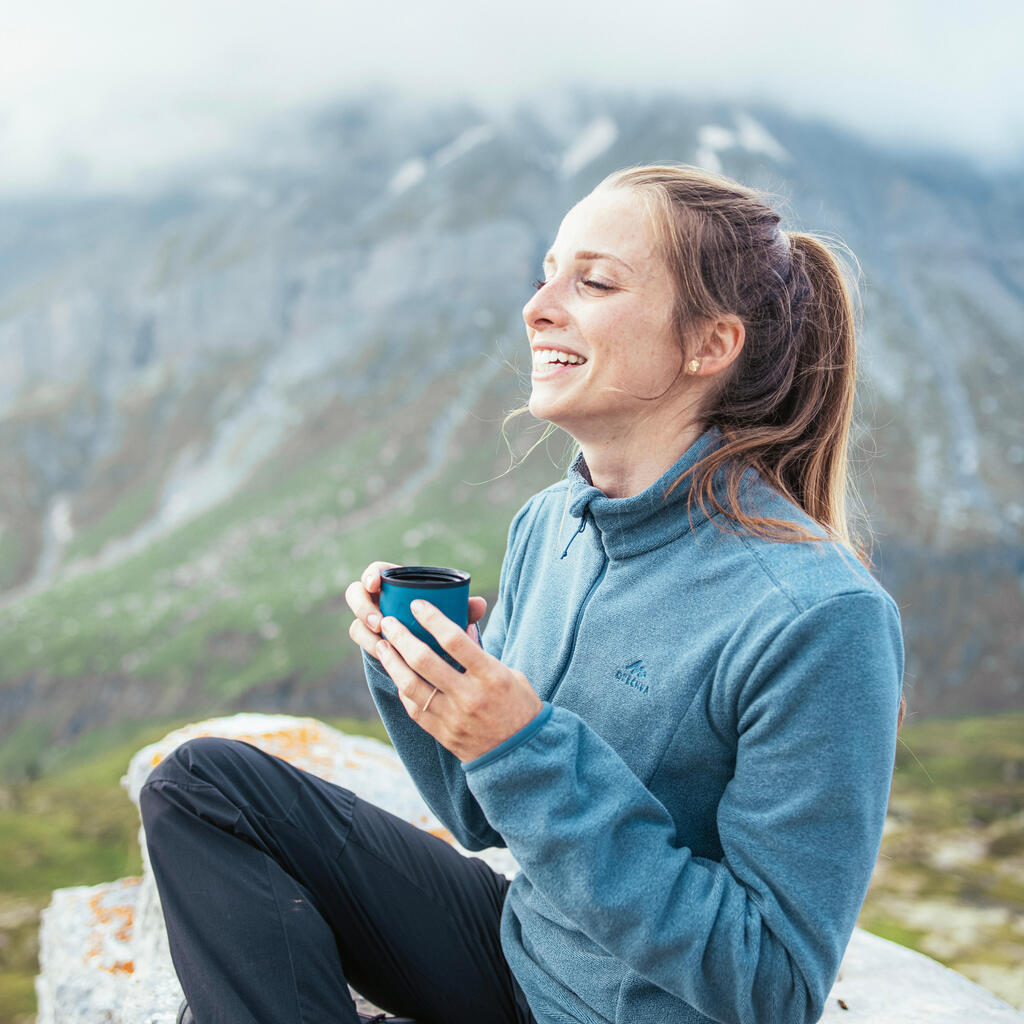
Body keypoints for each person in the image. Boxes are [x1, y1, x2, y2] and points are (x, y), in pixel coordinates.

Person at [140, 164, 904, 1024]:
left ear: (710, 345)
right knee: (203, 787)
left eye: (595, 282)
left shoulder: (817, 616)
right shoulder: (551, 526)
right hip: (519, 960)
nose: (539, 308)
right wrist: (429, 682)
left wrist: (525, 747)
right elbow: (481, 818)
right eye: (546, 275)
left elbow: (771, 986)